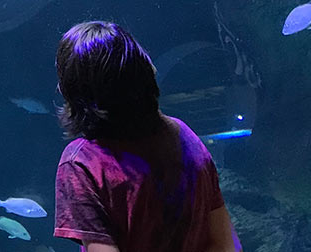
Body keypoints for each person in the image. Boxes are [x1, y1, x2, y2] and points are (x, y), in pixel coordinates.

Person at [54, 21, 241, 252]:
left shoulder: (83, 163)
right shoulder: (183, 135)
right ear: (145, 71)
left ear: (73, 90)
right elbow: (227, 245)